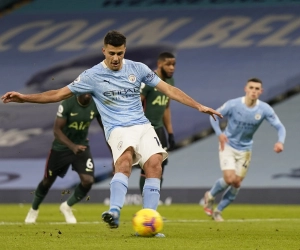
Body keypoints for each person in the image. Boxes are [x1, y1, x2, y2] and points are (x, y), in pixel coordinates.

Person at [1, 30, 222, 236]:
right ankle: (114, 211)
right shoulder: (92, 75)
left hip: (142, 125)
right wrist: (24, 97)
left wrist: (199, 106)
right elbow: (58, 94)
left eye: (120, 53)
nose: (116, 58)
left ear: (124, 51)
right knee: (124, 160)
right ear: (104, 51)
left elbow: (169, 90)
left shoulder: (138, 69)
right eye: (112, 53)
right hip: (117, 128)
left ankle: (150, 220)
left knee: (155, 164)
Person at [202, 78, 286, 222]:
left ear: (261, 91)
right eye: (251, 88)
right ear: (245, 89)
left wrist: (280, 142)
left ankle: (218, 211)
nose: (254, 91)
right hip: (228, 145)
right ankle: (210, 195)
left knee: (237, 183)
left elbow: (280, 127)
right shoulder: (234, 104)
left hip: (245, 149)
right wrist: (219, 134)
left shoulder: (264, 109)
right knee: (229, 178)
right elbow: (213, 115)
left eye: (257, 89)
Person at [25, 94, 103, 224]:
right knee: (47, 181)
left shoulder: (96, 104)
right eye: (86, 90)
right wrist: (72, 146)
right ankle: (34, 209)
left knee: (88, 180)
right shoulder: (67, 104)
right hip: (61, 148)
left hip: (82, 146)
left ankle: (67, 206)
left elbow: (105, 128)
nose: (89, 93)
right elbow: (57, 130)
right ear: (79, 90)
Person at [139, 51, 176, 194]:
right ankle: (145, 209)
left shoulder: (170, 81)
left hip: (159, 130)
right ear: (159, 64)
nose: (172, 67)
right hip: (146, 130)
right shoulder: (148, 81)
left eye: (173, 64)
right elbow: (135, 103)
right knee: (147, 169)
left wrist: (170, 132)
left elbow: (166, 107)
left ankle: (153, 207)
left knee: (160, 168)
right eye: (168, 64)